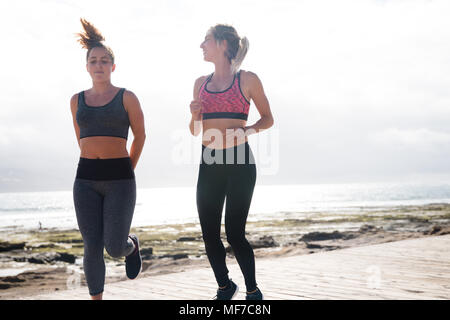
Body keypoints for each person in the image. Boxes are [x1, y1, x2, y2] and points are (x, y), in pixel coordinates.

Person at [189, 24, 274, 300]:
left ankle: (252, 290)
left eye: (207, 40)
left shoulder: (247, 79)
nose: (202, 45)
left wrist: (247, 131)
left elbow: (268, 118)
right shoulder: (200, 83)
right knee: (209, 233)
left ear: (223, 44)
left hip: (239, 161)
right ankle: (225, 287)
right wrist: (193, 115)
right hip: (209, 160)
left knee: (235, 233)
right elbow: (194, 131)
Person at [70, 18, 146, 300]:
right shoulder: (76, 100)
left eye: (104, 61)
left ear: (112, 66)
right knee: (91, 246)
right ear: (87, 66)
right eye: (93, 61)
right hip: (85, 179)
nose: (98, 65)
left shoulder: (127, 97)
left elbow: (140, 136)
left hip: (120, 179)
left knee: (114, 247)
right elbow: (81, 139)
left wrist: (126, 170)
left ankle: (132, 246)